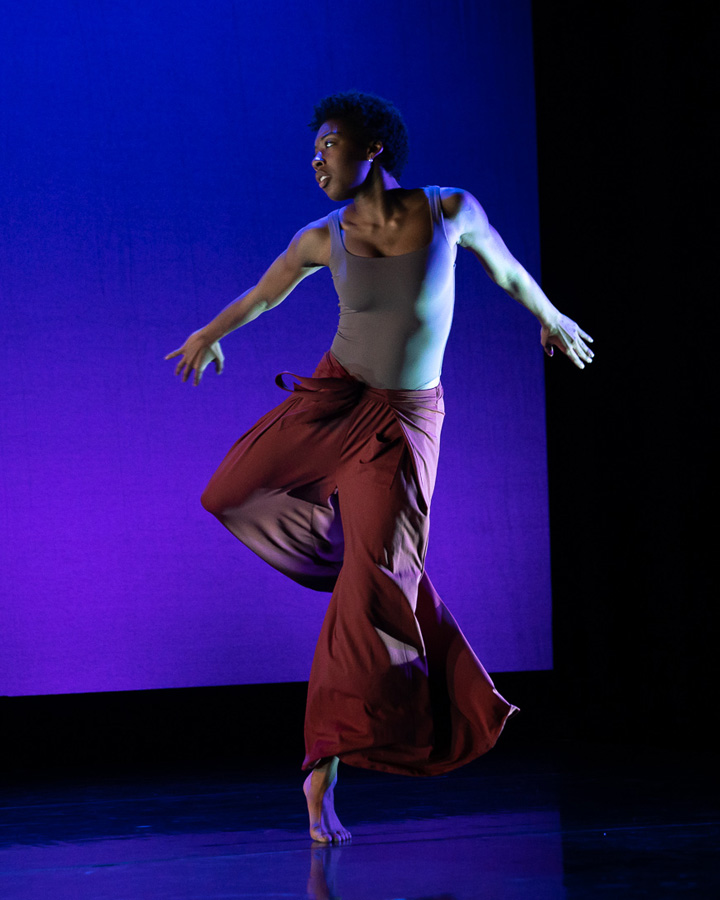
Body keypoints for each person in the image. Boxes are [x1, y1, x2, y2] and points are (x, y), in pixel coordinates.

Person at [166, 91, 594, 844]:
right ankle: (366, 557)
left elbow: (507, 271)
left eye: (329, 143)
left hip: (402, 421)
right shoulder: (321, 236)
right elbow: (264, 297)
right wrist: (208, 332)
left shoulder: (450, 208)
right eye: (316, 147)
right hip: (335, 397)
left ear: (374, 149)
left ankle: (322, 768)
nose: (316, 158)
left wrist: (550, 317)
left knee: (372, 594)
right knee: (227, 490)